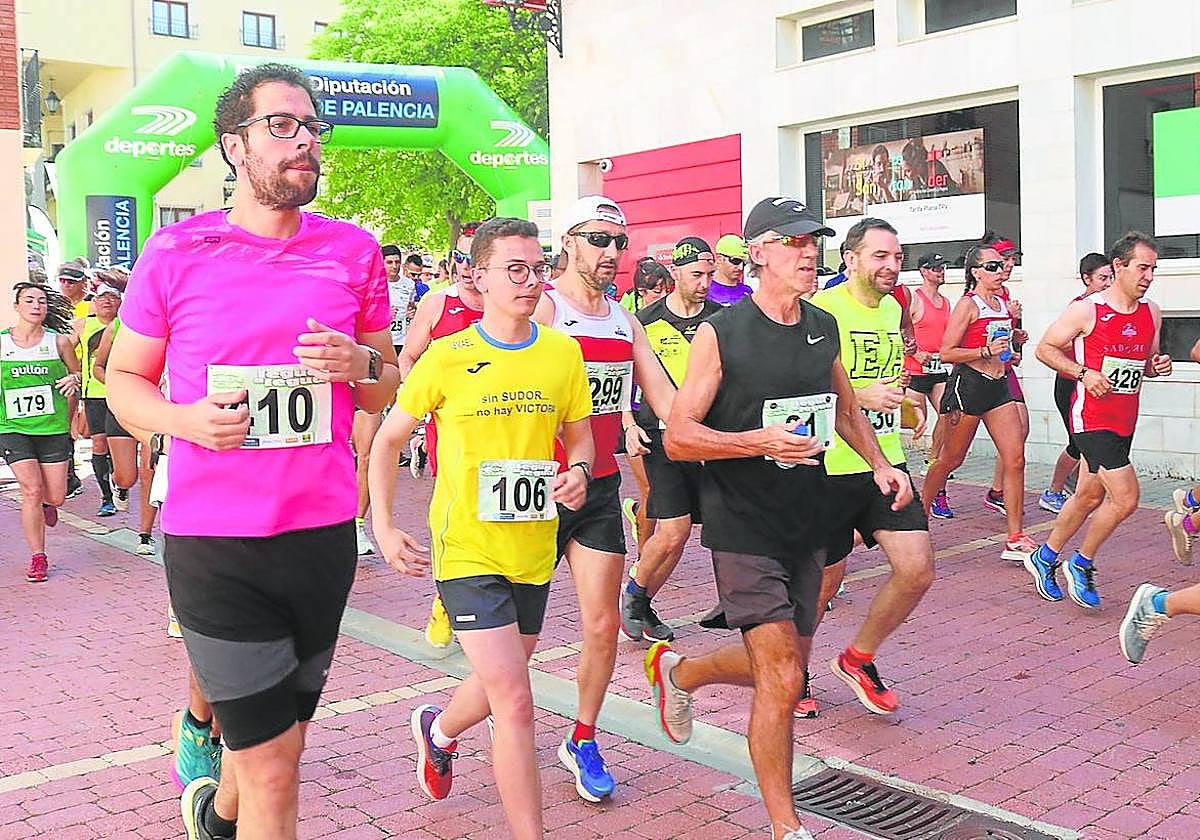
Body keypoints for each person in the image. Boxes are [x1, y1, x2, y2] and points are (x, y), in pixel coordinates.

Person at [105, 63, 399, 840]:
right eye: (281, 126)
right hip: (216, 543)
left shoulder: (354, 253)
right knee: (274, 772)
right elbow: (122, 379)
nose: (304, 140)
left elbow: (384, 387)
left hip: (320, 537)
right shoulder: (177, 251)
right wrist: (183, 419)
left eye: (311, 127)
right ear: (234, 145)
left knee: (280, 751)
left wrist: (361, 366)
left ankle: (213, 815)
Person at [645, 197, 910, 840]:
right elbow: (679, 435)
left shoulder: (822, 325)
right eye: (792, 242)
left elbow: (843, 405)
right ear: (757, 252)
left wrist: (878, 462)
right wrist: (755, 442)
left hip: (806, 515)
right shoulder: (723, 331)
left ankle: (680, 671)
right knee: (786, 676)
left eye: (812, 241)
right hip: (741, 521)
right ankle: (785, 825)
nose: (807, 252)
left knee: (779, 661)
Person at [369, 217, 593, 839]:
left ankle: (438, 731)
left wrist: (576, 470)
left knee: (504, 680)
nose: (529, 281)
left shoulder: (561, 351)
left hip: (532, 543)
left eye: (538, 268)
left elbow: (577, 438)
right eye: (513, 270)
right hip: (465, 547)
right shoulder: (448, 356)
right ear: (478, 276)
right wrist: (384, 527)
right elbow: (387, 443)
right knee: (516, 702)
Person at [532, 194, 675, 803]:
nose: (612, 252)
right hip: (535, 488)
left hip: (598, 485)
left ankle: (583, 738)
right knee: (515, 641)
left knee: (603, 623)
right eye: (598, 239)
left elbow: (670, 402)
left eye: (620, 242)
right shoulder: (544, 308)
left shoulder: (626, 319)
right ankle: (445, 727)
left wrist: (742, 431)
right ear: (568, 242)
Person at [808, 219, 934, 718]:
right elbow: (806, 385)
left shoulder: (892, 308)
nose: (891, 266)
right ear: (851, 259)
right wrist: (860, 396)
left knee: (918, 570)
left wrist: (906, 405)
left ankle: (857, 658)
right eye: (880, 255)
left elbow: (887, 378)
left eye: (897, 256)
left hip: (885, 462)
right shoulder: (823, 309)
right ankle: (793, 670)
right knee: (822, 585)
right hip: (832, 467)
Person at [1025, 232, 1170, 609]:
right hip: (1090, 417)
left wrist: (1158, 366)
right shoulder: (1088, 309)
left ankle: (1045, 556)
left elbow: (1147, 364)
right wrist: (1083, 372)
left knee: (1089, 494)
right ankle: (1081, 562)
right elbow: (1044, 348)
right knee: (1126, 499)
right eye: (1142, 267)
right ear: (1119, 266)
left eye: (1153, 269)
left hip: (1125, 418)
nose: (1149, 276)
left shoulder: (1151, 311)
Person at [620, 237, 721, 643]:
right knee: (675, 529)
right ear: (674, 273)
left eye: (710, 275)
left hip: (711, 437)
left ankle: (645, 600)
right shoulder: (645, 320)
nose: (704, 283)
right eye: (697, 274)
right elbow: (623, 376)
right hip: (660, 436)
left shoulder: (722, 319)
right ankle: (634, 595)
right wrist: (628, 424)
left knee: (726, 525)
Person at [920, 245, 1036, 562]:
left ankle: (1015, 536)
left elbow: (1002, 346)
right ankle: (919, 515)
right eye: (993, 266)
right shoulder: (967, 306)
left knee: (1015, 459)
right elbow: (947, 352)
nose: (1001, 271)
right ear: (976, 272)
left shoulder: (1002, 304)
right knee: (950, 460)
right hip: (968, 387)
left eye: (1003, 266)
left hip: (998, 387)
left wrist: (1011, 350)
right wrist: (984, 352)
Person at [399, 225, 484, 648]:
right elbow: (409, 355)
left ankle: (483, 594)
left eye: (477, 259)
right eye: (462, 259)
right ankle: (445, 597)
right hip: (448, 430)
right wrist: (419, 404)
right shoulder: (438, 303)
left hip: (502, 425)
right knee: (452, 513)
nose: (468, 269)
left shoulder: (508, 304)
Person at [1, 281, 81, 582]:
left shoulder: (58, 342)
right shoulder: (2, 344)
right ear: (17, 306)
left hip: (52, 427)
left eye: (42, 301)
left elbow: (77, 374)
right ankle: (38, 557)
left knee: (56, 495)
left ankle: (50, 504)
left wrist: (74, 382)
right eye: (30, 300)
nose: (37, 306)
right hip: (12, 427)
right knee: (31, 489)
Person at [350, 242, 418, 555]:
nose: (389, 267)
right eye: (385, 262)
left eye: (393, 262)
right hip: (326, 380)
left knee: (366, 452)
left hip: (373, 366)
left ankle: (358, 525)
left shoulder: (404, 288)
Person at [1039, 252, 1114, 513]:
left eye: (1110, 277)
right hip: (1070, 384)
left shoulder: (1111, 306)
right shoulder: (1080, 307)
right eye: (1102, 278)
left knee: (1092, 443)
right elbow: (1053, 345)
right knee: (1078, 443)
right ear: (1087, 279)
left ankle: (1078, 488)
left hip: (1096, 386)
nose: (1108, 283)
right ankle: (1053, 492)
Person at [981, 235, 1030, 514]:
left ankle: (999, 491)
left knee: (1020, 429)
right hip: (977, 374)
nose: (1009, 265)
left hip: (1004, 370)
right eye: (1003, 260)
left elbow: (1002, 336)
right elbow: (959, 343)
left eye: (1012, 259)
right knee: (952, 450)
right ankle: (933, 491)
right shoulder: (975, 298)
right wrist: (1009, 319)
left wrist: (1016, 336)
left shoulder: (1006, 295)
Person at [905, 252, 953, 517]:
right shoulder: (914, 298)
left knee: (948, 416)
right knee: (914, 423)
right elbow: (899, 330)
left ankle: (933, 465)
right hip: (914, 371)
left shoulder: (946, 302)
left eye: (942, 267)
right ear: (923, 271)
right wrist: (914, 353)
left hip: (938, 369)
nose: (940, 272)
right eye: (935, 268)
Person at [75, 283, 123, 517]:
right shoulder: (83, 325)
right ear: (94, 302)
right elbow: (62, 348)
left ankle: (121, 486)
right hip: (94, 395)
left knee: (121, 447)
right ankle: (106, 497)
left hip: (123, 396)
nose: (106, 302)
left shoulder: (128, 326)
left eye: (112, 297)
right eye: (101, 297)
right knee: (99, 444)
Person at [708, 234, 752, 306]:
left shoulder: (747, 292)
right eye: (736, 261)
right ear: (719, 259)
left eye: (744, 263)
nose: (741, 267)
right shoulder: (704, 291)